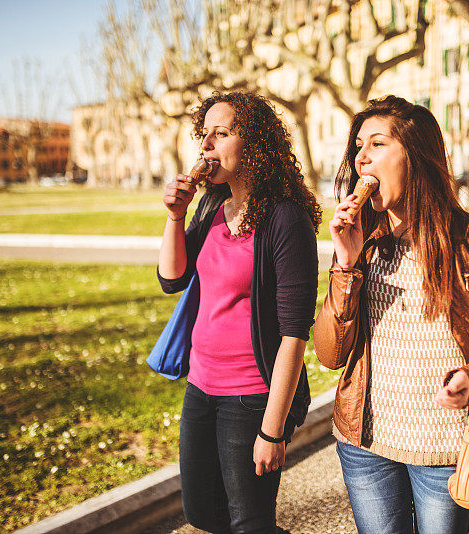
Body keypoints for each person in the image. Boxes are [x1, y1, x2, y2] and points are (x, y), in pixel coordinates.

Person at [312, 95, 469, 534]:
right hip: (366, 445)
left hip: (448, 446)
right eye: (358, 145)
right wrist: (345, 264)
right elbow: (328, 353)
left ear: (415, 155)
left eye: (376, 144)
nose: (361, 157)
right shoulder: (362, 237)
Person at [158, 91, 321, 533]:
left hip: (251, 396)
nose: (206, 145)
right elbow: (172, 279)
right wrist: (176, 215)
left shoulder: (286, 220)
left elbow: (294, 333)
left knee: (249, 522)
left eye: (222, 133)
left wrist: (272, 430)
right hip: (201, 386)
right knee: (202, 514)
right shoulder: (212, 204)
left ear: (255, 145)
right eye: (204, 134)